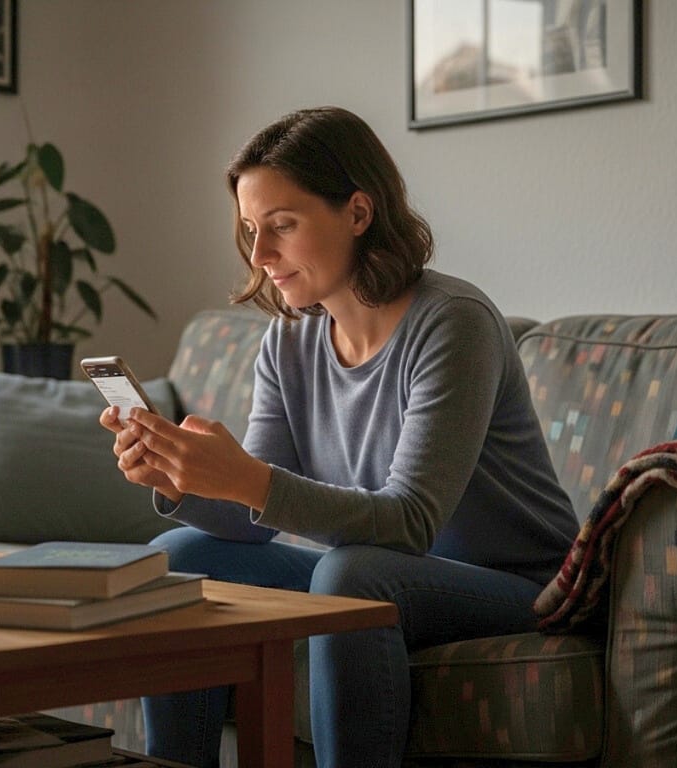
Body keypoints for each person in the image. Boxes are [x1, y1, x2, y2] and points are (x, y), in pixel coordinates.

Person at [99, 106, 578, 768]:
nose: (260, 256)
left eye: (282, 226)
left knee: (351, 573)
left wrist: (244, 478)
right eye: (251, 231)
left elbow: (410, 522)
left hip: (518, 587)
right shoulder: (289, 340)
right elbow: (252, 522)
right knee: (178, 555)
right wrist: (180, 478)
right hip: (381, 573)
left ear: (358, 212)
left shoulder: (453, 323)